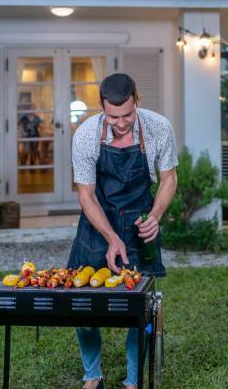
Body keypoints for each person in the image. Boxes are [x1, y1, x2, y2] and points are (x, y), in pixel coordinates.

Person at [68, 73, 178, 388]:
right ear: (102, 108)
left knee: (139, 306)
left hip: (140, 222)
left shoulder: (158, 127)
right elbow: (86, 194)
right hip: (97, 221)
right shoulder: (87, 134)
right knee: (82, 300)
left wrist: (156, 215)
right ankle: (92, 375)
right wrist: (111, 238)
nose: (119, 123)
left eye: (126, 115)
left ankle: (132, 381)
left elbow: (168, 178)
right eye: (112, 116)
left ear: (137, 101)